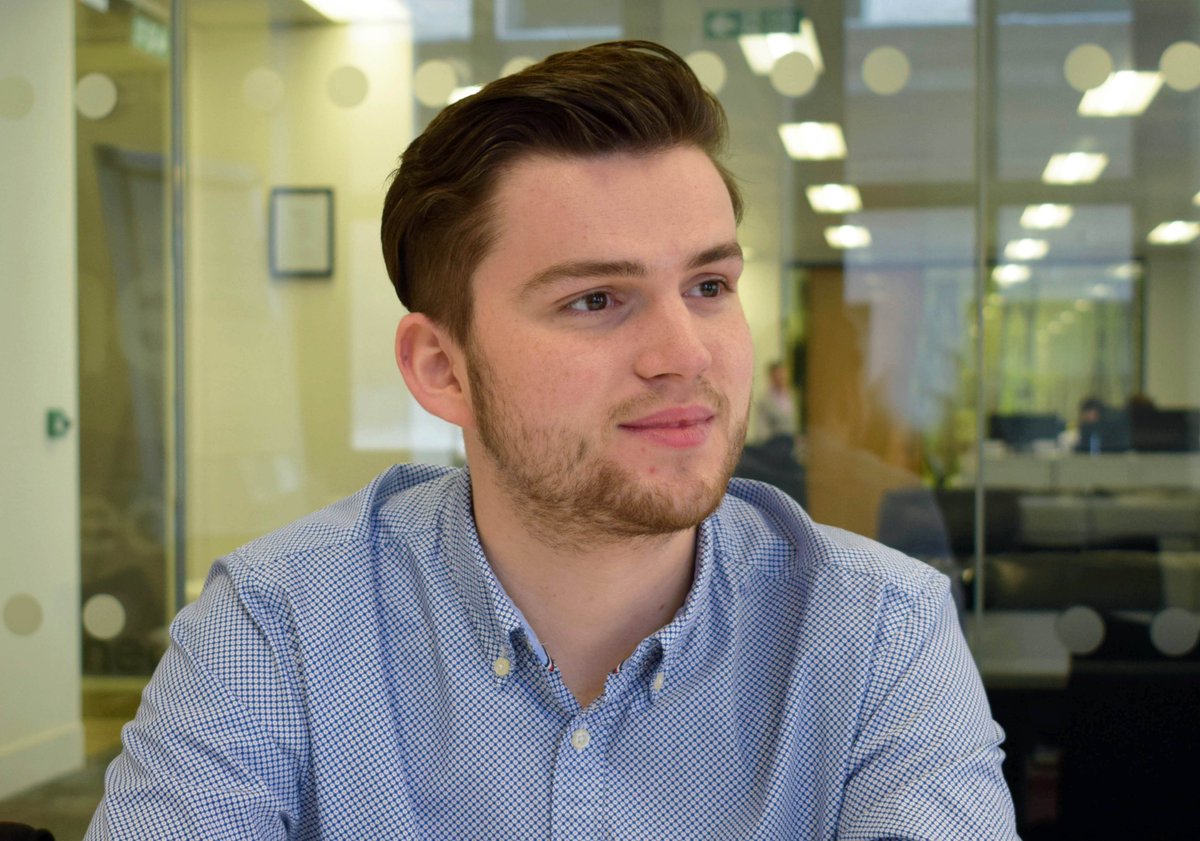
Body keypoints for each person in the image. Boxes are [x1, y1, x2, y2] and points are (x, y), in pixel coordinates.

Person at [86, 41, 1016, 838]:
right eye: (595, 299)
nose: (686, 354)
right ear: (442, 369)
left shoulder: (877, 630)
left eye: (709, 287)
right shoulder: (282, 624)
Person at [755, 359, 798, 443]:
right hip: (773, 444)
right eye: (778, 374)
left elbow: (793, 423)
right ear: (772, 377)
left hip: (789, 443)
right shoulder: (765, 400)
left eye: (783, 374)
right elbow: (761, 430)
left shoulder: (791, 396)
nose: (782, 377)